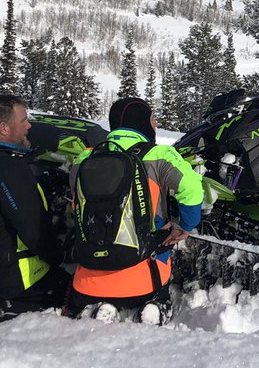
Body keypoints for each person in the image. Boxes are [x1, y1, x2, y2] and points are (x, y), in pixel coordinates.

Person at [66, 97, 204, 325]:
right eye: (152, 119)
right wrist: (184, 226)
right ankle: (155, 307)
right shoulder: (159, 155)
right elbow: (193, 189)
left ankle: (100, 307)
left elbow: (76, 206)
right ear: (141, 122)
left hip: (88, 281)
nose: (156, 124)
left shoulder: (84, 159)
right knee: (157, 274)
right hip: (144, 279)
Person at [0, 93, 69, 329]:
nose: (29, 126)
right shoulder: (8, 169)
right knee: (71, 289)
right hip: (11, 278)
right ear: (4, 128)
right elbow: (35, 231)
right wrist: (59, 257)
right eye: (24, 120)